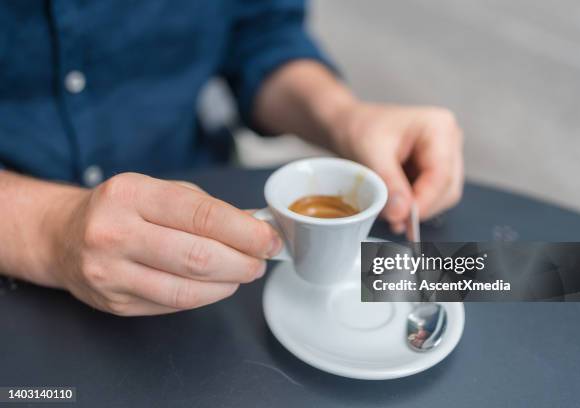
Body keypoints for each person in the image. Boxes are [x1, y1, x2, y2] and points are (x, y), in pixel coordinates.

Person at [0, 1, 463, 316]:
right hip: (17, 279)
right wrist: (47, 228)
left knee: (521, 274)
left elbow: (259, 33)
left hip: (203, 239)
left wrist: (343, 116)